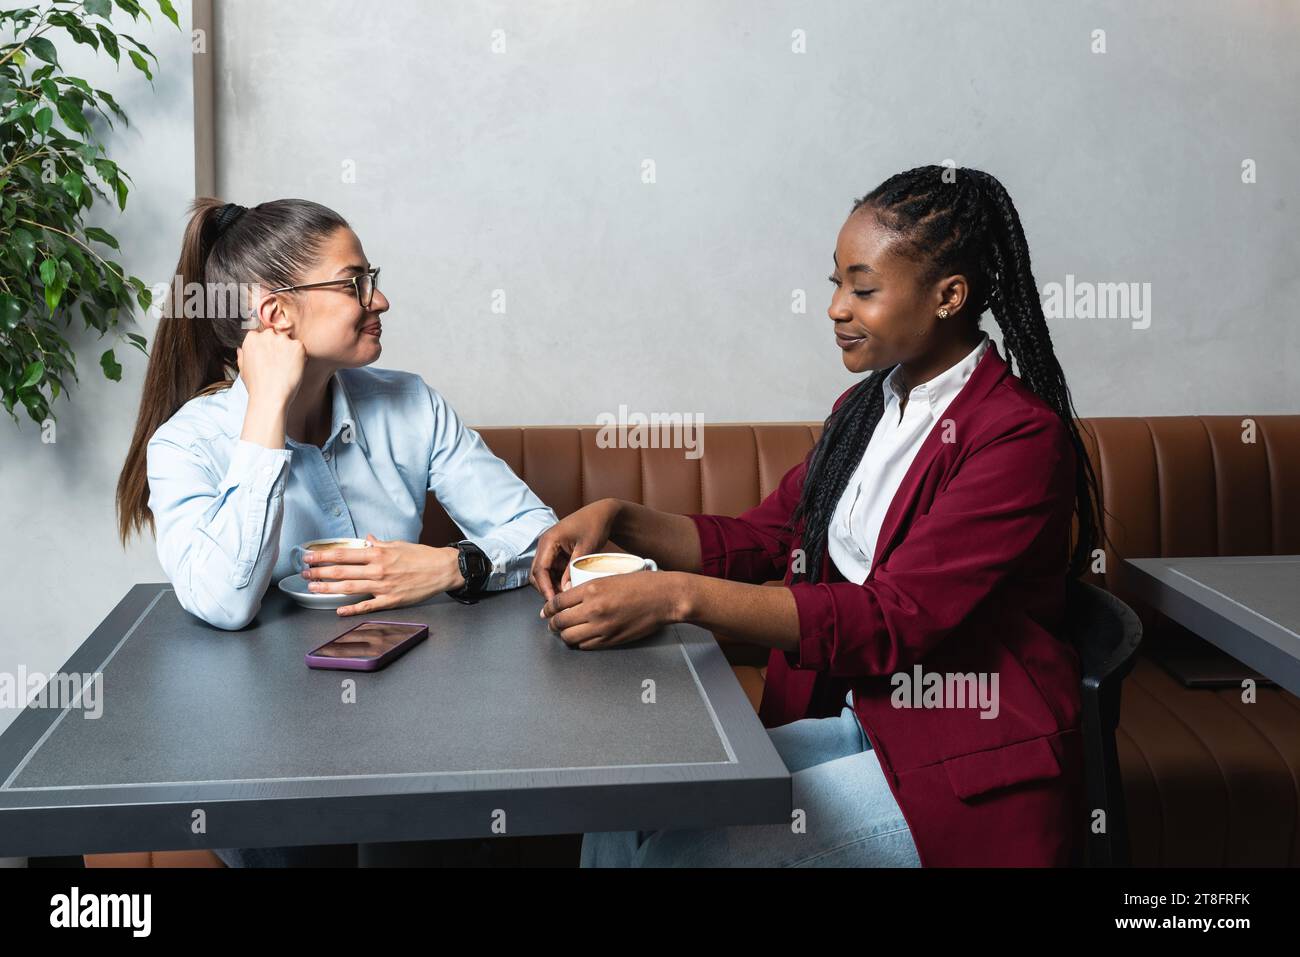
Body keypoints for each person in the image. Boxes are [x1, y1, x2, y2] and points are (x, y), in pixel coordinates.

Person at [531, 166, 1104, 867]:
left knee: (680, 860)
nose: (836, 306)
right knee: (625, 794)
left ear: (949, 295)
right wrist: (619, 516)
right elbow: (771, 538)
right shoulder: (864, 411)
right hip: (867, 720)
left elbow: (894, 617)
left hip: (965, 760)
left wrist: (676, 597)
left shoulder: (1017, 437)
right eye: (836, 283)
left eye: (863, 288)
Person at [116, 197, 557, 866]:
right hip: (262, 741)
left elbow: (539, 533)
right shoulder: (185, 446)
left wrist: (454, 566)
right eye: (355, 283)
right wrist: (264, 409)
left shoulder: (410, 401)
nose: (380, 299)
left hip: (417, 714)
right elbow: (223, 600)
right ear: (276, 313)